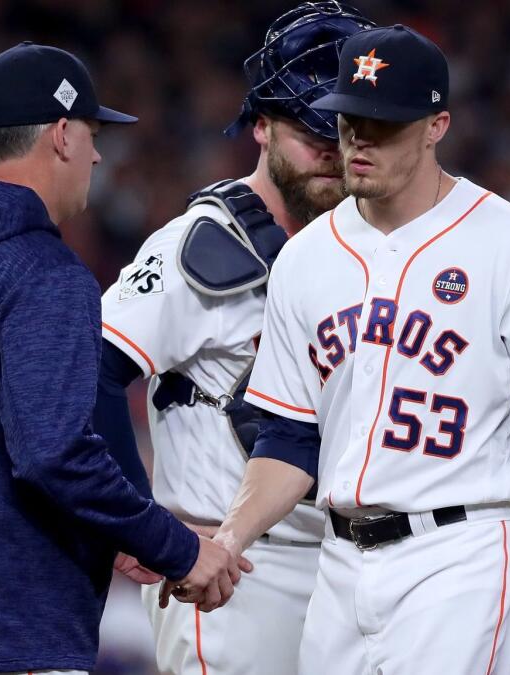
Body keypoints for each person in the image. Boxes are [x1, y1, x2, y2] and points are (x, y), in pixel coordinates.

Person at [189, 25, 510, 675]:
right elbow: (289, 438)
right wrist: (230, 536)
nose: (359, 142)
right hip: (340, 559)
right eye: (350, 122)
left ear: (437, 126)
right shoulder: (307, 258)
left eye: (384, 125)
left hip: (462, 552)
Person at [0, 42, 244, 675]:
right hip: (9, 632)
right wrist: (176, 547)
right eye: (94, 134)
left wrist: (114, 531)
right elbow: (52, 453)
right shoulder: (43, 272)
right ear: (63, 135)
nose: (99, 154)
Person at [94, 3, 376, 673]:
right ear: (262, 125)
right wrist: (134, 522)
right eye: (314, 134)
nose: (332, 156)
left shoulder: (363, 253)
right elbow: (87, 370)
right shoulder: (203, 244)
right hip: (237, 575)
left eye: (349, 136)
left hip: (346, 569)